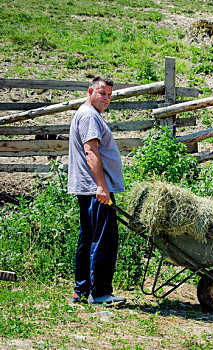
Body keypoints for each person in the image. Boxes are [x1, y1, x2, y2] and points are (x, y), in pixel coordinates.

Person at [67, 76, 126, 307]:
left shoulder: (86, 114)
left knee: (89, 237)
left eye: (110, 95)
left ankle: (81, 292)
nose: (106, 98)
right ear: (90, 90)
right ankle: (100, 292)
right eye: (102, 93)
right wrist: (102, 186)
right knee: (103, 239)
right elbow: (91, 152)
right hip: (96, 189)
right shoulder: (89, 115)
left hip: (90, 188)